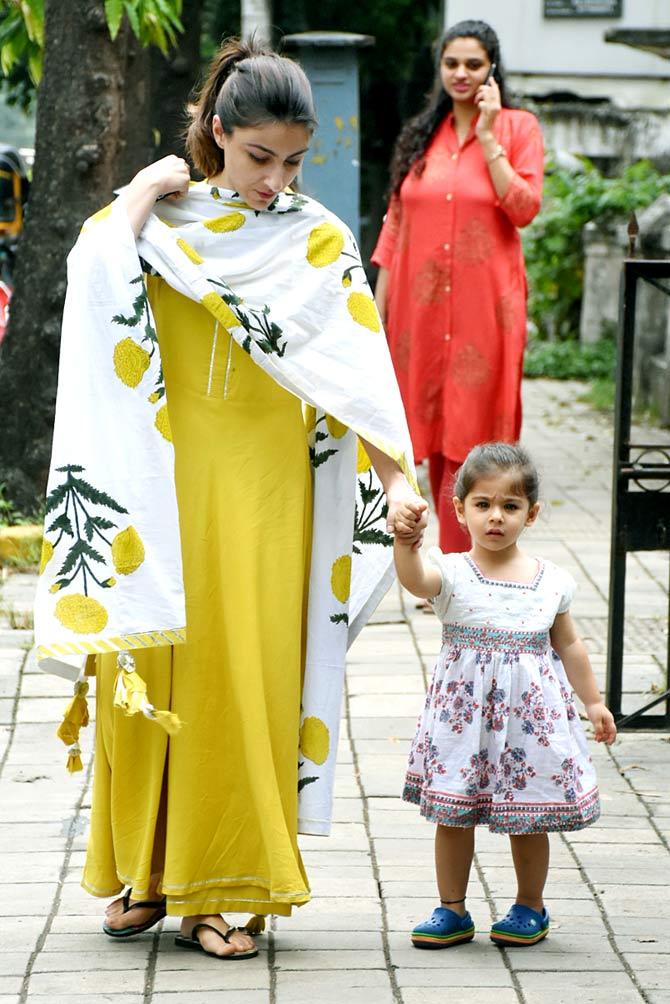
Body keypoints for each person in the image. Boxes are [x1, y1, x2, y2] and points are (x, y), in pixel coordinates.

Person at [34, 37, 424, 961]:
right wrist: (135, 194)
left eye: (292, 161)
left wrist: (397, 481)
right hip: (158, 474)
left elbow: (359, 372)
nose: (274, 180)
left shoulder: (317, 240)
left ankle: (230, 886)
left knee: (243, 672)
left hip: (265, 488)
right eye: (258, 157)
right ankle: (148, 872)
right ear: (217, 132)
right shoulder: (157, 224)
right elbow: (88, 286)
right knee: (157, 659)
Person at [393, 442, 616, 948]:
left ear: (530, 514)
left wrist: (594, 702)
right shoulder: (449, 572)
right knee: (453, 814)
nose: (496, 517)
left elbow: (570, 644)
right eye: (483, 504)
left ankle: (529, 905)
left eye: (510, 506)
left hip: (529, 724)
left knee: (528, 814)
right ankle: (452, 909)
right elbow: (415, 581)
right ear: (460, 509)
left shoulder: (549, 580)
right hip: (462, 721)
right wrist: (405, 544)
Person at [372, 21, 544, 553]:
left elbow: (523, 209)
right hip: (416, 313)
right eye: (452, 64)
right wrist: (373, 313)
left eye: (473, 64)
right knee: (403, 431)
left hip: (484, 312)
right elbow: (394, 227)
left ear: (492, 67)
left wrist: (489, 137)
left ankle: (459, 564)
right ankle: (405, 555)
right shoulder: (422, 136)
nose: (462, 74)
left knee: (471, 435)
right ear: (440, 68)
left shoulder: (519, 127)